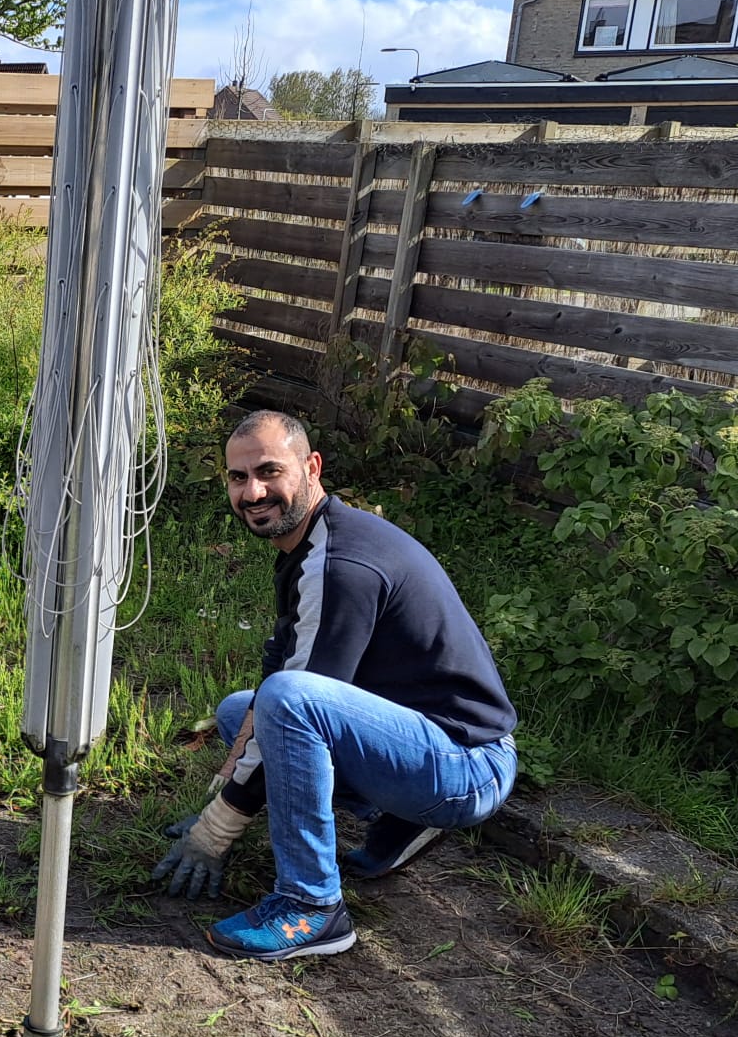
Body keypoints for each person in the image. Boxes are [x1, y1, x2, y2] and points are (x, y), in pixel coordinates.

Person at [155, 410, 518, 963]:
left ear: (311, 466)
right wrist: (226, 791)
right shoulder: (310, 541)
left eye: (269, 472)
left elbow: (295, 696)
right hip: (420, 743)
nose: (252, 492)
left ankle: (312, 906)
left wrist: (217, 829)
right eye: (237, 477)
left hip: (467, 764)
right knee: (239, 711)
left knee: (287, 701)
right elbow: (280, 668)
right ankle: (399, 821)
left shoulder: (341, 562)